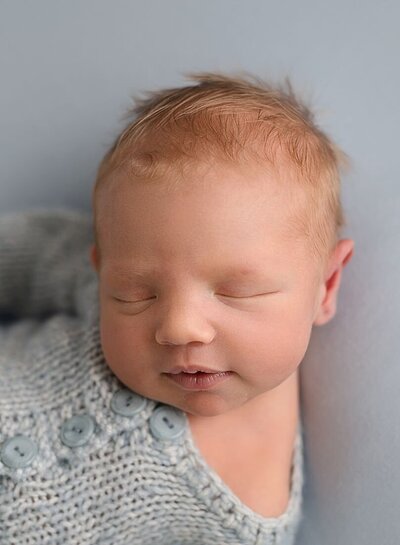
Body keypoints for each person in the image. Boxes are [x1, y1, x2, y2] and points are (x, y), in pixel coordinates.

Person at [0, 71, 354, 545]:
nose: (179, 327)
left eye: (236, 292)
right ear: (103, 270)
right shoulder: (107, 270)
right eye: (135, 293)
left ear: (325, 286)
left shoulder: (246, 518)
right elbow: (24, 255)